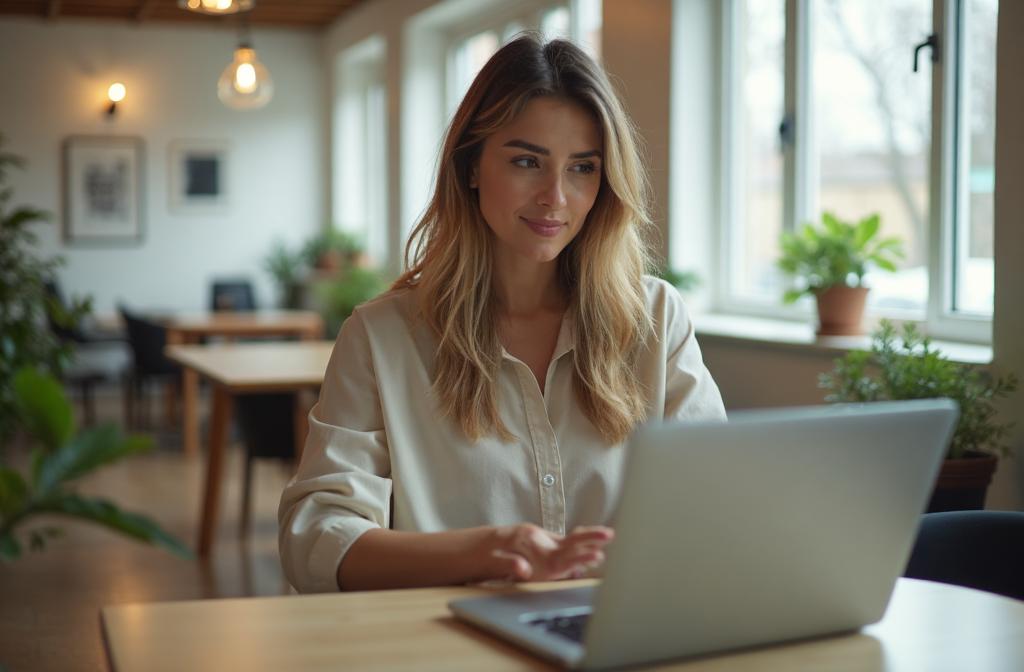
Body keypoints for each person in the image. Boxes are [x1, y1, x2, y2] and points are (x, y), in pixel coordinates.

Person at [278, 34, 726, 594]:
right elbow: (315, 538)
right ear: (470, 166)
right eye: (525, 161)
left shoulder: (656, 318)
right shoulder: (381, 337)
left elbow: (714, 504)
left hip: (620, 640)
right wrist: (490, 552)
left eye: (582, 168)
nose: (554, 197)